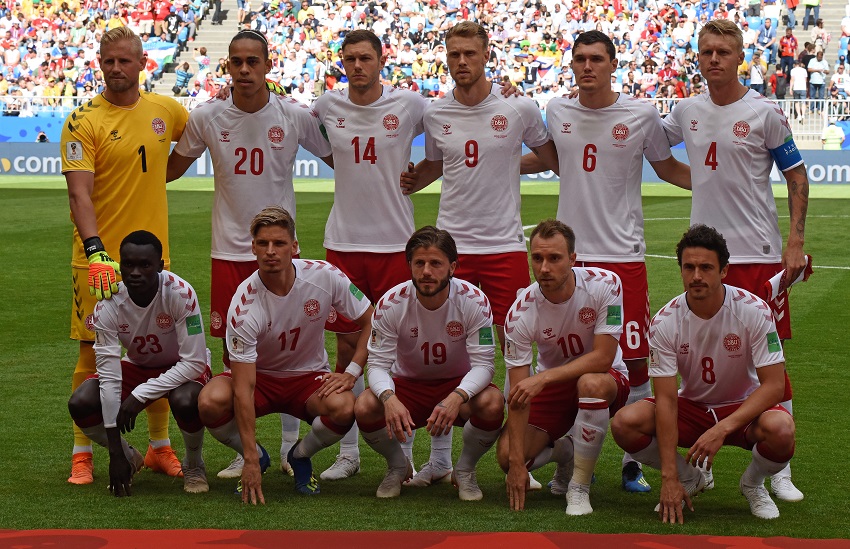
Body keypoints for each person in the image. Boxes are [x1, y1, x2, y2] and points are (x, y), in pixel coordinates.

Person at [522, 30, 691, 495]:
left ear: (613, 64)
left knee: (636, 363)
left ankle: (633, 463)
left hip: (623, 259)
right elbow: (550, 160)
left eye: (596, 58)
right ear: (571, 65)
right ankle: (573, 459)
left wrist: (724, 184)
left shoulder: (639, 114)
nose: (587, 66)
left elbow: (668, 168)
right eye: (579, 59)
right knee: (570, 357)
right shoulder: (557, 110)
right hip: (570, 260)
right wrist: (489, 164)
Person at [167, 29, 334, 480]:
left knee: (290, 349)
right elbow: (169, 169)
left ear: (267, 65)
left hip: (280, 252)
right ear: (228, 67)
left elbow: (344, 158)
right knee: (234, 354)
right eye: (236, 62)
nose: (244, 70)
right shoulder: (206, 117)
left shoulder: (294, 117)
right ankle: (249, 449)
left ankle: (288, 446)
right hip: (229, 251)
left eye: (252, 62)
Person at [662, 19, 808, 502]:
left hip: (761, 253)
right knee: (699, 343)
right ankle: (694, 459)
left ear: (740, 56)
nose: (715, 59)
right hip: (706, 254)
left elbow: (796, 176)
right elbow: (656, 151)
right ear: (698, 57)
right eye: (707, 51)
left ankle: (777, 470)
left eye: (724, 51)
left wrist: (794, 242)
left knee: (773, 361)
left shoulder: (764, 112)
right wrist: (699, 183)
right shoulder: (686, 110)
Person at [61, 26, 189, 486]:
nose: (116, 68)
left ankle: (158, 448)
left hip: (154, 259)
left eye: (124, 61)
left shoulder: (166, 110)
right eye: (108, 60)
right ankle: (82, 454)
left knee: (157, 353)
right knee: (91, 354)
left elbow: (192, 143)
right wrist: (96, 250)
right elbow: (80, 195)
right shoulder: (81, 119)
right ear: (99, 62)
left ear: (142, 64)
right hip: (97, 260)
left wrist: (160, 176)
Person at [611, 224, 797, 522]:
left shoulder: (754, 311)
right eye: (689, 267)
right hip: (693, 408)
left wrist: (722, 429)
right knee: (625, 423)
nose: (696, 276)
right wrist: (669, 476)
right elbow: (667, 400)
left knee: (782, 430)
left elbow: (774, 386)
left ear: (724, 271)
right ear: (681, 269)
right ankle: (689, 478)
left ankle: (753, 484)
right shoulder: (664, 321)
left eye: (706, 267)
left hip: (742, 410)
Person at [401, 21, 558, 354]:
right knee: (452, 338)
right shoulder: (436, 113)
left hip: (504, 243)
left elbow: (552, 159)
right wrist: (407, 182)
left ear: (487, 55)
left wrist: (506, 162)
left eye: (470, 53)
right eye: (454, 54)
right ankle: (461, 405)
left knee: (514, 341)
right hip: (453, 244)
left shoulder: (519, 107)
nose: (461, 61)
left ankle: (516, 404)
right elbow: (436, 165)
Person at [197, 207, 373, 503]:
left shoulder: (325, 276)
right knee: (209, 401)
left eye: (279, 243)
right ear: (252, 247)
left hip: (308, 378)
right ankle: (259, 456)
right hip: (260, 379)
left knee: (344, 406)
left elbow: (372, 319)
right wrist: (250, 458)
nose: (270, 251)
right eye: (263, 243)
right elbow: (243, 388)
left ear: (294, 247)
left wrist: (352, 371)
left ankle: (300, 455)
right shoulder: (243, 305)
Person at [354, 226, 504, 500]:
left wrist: (458, 396)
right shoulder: (390, 304)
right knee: (365, 406)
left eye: (436, 263)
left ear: (452, 267)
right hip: (408, 386)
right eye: (419, 263)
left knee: (493, 403)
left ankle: (465, 469)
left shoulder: (474, 301)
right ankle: (398, 466)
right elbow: (376, 364)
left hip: (457, 385)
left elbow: (485, 364)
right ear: (409, 265)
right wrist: (388, 398)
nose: (426, 271)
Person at [496, 219, 631, 515]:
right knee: (507, 456)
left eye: (554, 258)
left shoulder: (605, 284)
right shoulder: (519, 313)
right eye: (537, 258)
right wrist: (518, 466)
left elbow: (603, 358)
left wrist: (543, 378)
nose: (544, 268)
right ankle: (566, 452)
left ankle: (579, 487)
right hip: (555, 387)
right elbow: (519, 394)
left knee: (590, 384)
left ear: (572, 258)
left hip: (606, 378)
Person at [67, 231, 211, 495]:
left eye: (144, 265)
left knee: (186, 399)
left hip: (182, 367)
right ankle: (129, 456)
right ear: (119, 264)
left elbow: (195, 363)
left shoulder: (181, 293)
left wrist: (139, 395)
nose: (135, 272)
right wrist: (115, 454)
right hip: (137, 366)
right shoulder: (108, 304)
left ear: (159, 265)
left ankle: (193, 464)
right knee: (82, 401)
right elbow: (109, 377)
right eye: (128, 264)